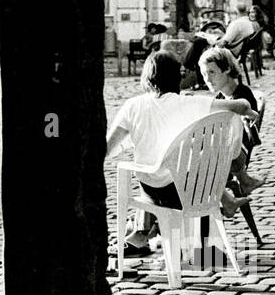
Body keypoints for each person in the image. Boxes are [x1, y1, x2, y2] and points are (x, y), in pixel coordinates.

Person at [107, 51, 257, 257]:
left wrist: (133, 140)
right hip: (194, 192)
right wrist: (248, 110)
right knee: (193, 163)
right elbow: (240, 105)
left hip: (152, 193)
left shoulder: (133, 105)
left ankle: (139, 235)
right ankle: (204, 248)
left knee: (156, 170)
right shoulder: (189, 103)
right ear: (177, 77)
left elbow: (108, 149)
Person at [198, 45, 266, 194]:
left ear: (227, 69)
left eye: (212, 72)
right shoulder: (220, 97)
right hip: (220, 154)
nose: (207, 79)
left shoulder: (242, 95)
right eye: (204, 74)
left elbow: (242, 136)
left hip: (232, 158)